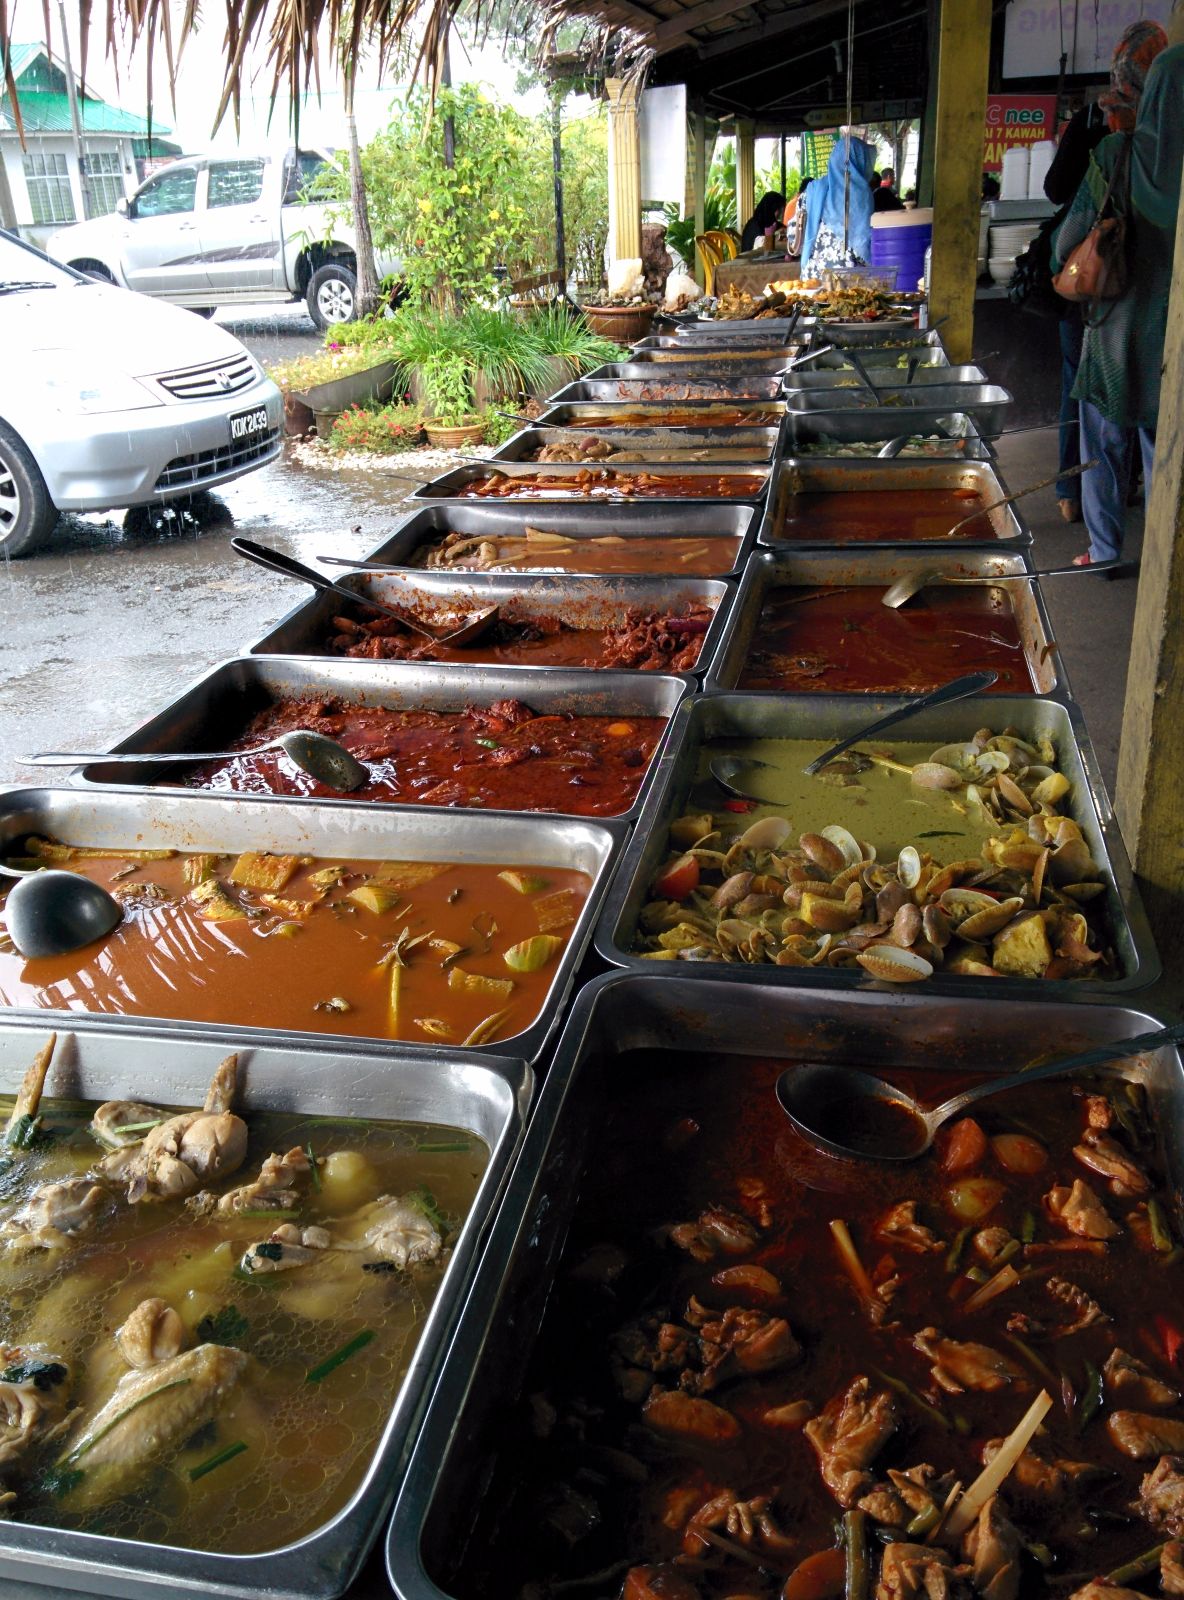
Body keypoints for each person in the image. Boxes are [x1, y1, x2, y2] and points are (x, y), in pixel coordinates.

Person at [1053, 35, 1183, 566]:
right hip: (1172, 338)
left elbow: (1068, 241)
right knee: (1163, 450)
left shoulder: (1115, 154)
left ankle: (1104, 550)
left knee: (1104, 443)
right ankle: (1161, 565)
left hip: (1114, 329)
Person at [801, 134, 876, 278]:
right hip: (852, 278)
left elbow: (794, 237)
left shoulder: (813, 190)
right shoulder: (863, 195)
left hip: (814, 277)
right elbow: (865, 243)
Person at [783, 177, 813, 259]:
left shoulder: (791, 202)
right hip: (800, 243)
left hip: (791, 243)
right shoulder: (804, 202)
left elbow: (785, 226)